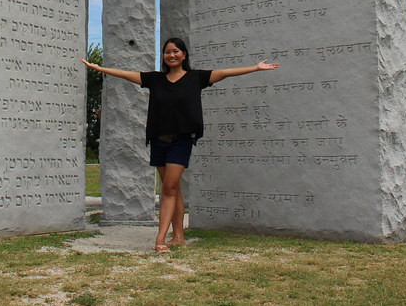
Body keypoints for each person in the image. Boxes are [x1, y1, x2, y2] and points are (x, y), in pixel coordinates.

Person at [81, 37, 279, 254]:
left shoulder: (196, 78)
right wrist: (100, 68)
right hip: (158, 140)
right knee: (172, 188)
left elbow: (225, 72)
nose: (171, 55)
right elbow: (127, 75)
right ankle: (178, 236)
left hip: (181, 141)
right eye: (167, 52)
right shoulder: (156, 79)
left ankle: (160, 239)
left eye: (176, 51)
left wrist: (256, 68)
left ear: (184, 55)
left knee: (168, 188)